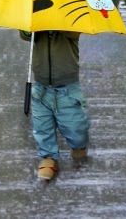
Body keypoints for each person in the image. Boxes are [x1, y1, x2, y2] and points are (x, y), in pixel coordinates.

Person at [20, 30, 90, 180]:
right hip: (41, 88)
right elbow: (26, 35)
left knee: (76, 129)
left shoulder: (70, 25)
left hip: (68, 89)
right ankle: (48, 157)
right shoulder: (37, 25)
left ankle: (80, 145)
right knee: (42, 128)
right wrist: (30, 27)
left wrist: (56, 23)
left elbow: (73, 32)